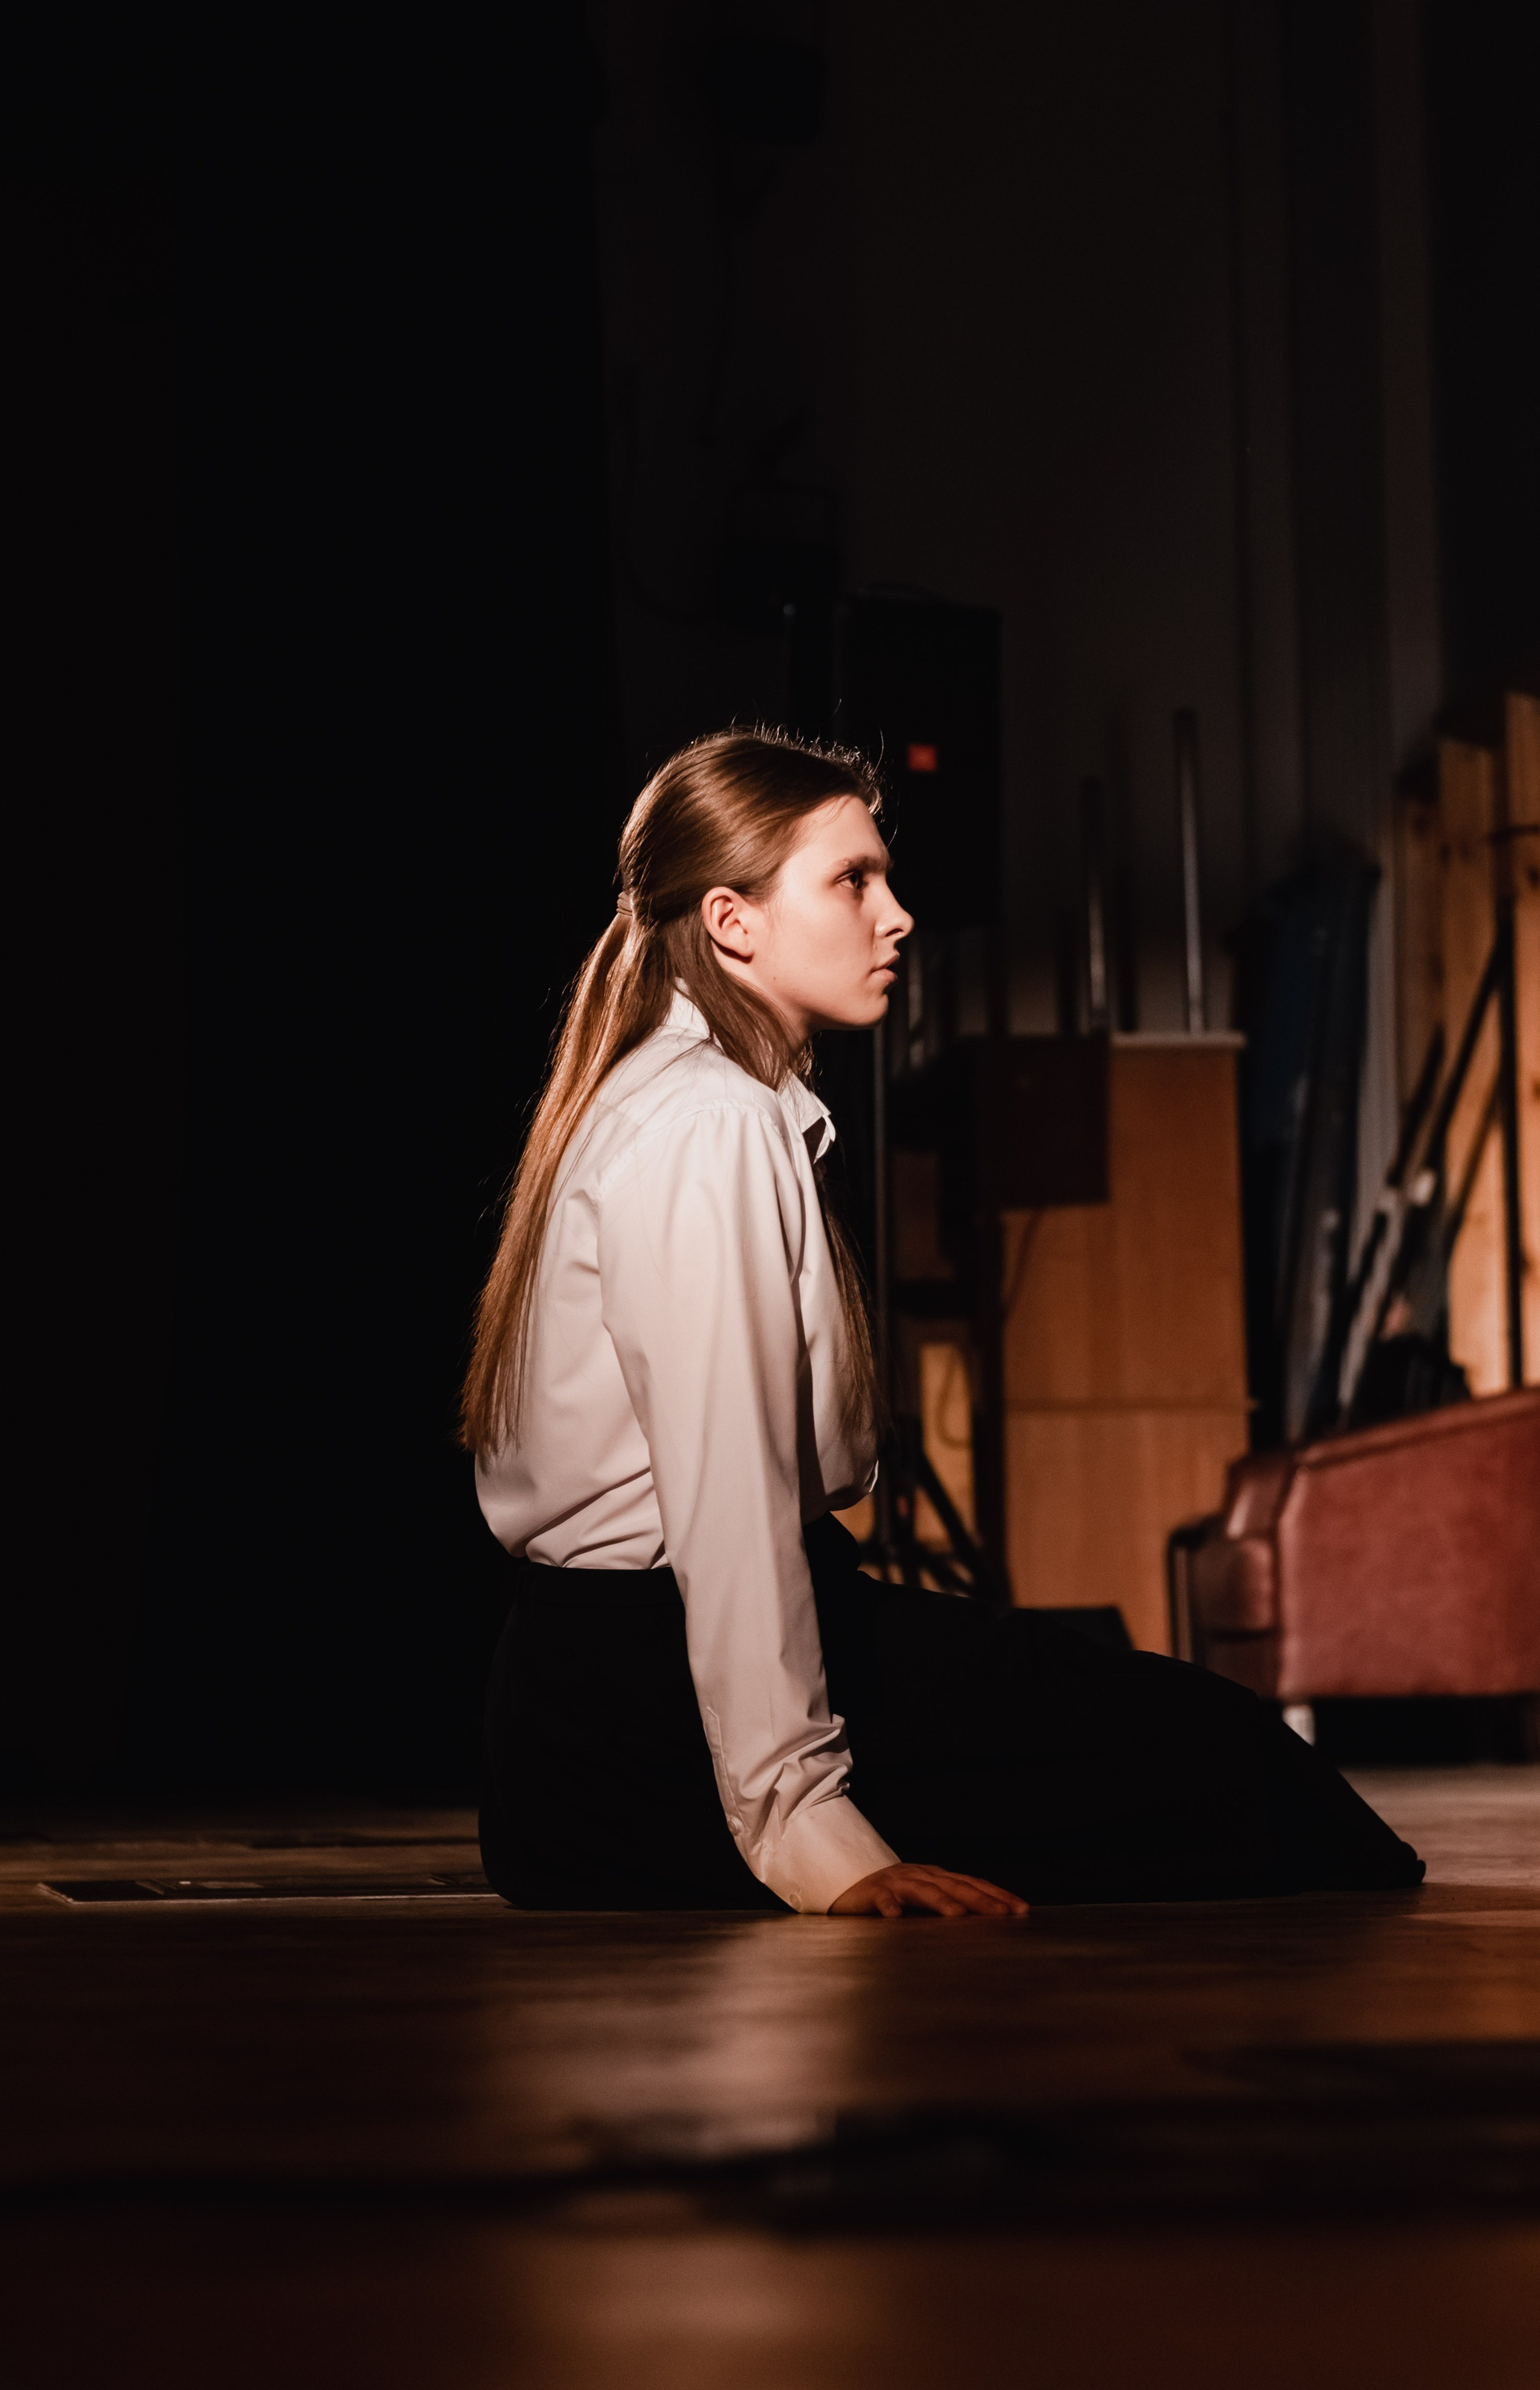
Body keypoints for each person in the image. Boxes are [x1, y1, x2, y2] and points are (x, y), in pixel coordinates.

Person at [464, 728, 1422, 1916]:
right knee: (1242, 1779)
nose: (898, 915)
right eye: (852, 880)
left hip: (593, 1717)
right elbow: (730, 1508)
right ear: (731, 922)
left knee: (1210, 1758)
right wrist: (812, 1834)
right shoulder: (707, 1123)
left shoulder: (690, 1102)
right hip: (649, 1729)